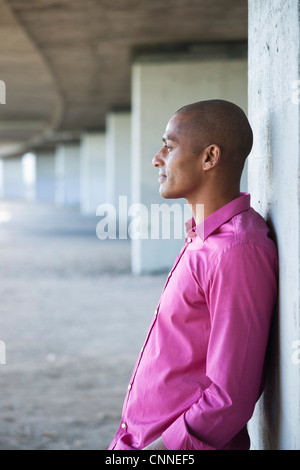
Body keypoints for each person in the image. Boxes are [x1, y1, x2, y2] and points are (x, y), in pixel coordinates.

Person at [109, 99, 278, 451]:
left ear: (209, 158)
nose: (157, 158)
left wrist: (161, 452)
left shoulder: (237, 250)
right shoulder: (205, 239)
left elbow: (230, 396)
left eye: (169, 146)